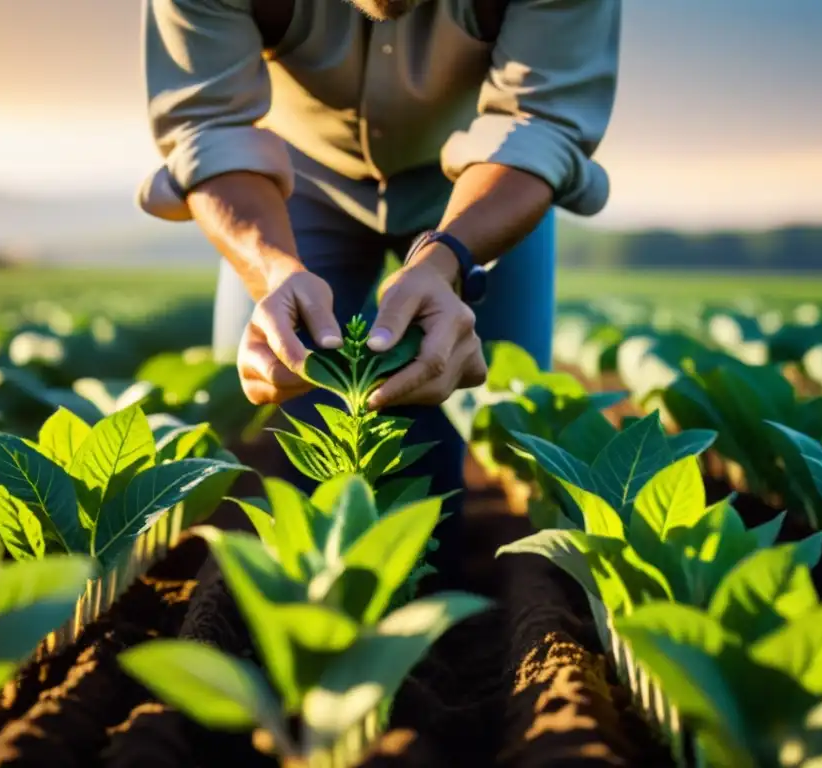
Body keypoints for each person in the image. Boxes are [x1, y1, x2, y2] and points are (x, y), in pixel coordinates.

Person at [138, 0, 621, 588]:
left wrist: (451, 260)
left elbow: (542, 121)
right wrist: (275, 272)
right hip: (298, 177)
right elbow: (208, 126)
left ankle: (436, 616)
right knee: (283, 404)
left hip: (484, 180)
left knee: (502, 409)